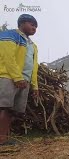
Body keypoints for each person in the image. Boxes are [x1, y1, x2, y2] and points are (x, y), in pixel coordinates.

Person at [0, 14, 39, 145]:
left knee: (11, 111)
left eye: (36, 27)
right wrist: (17, 77)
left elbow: (34, 66)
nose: (34, 28)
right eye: (32, 24)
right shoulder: (10, 35)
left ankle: (3, 138)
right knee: (3, 107)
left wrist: (35, 86)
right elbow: (8, 57)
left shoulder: (33, 46)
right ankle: (1, 139)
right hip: (8, 77)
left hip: (24, 81)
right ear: (21, 23)